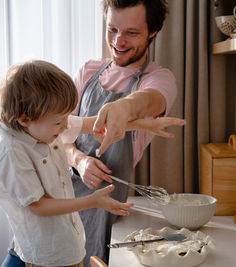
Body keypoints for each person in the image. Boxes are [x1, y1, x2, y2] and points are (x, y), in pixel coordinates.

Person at [0, 60, 184, 267]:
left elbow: (92, 124)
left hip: (66, 244)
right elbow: (38, 206)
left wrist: (143, 124)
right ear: (24, 119)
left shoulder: (41, 123)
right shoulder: (10, 151)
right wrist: (92, 201)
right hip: (45, 255)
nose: (65, 126)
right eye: (58, 122)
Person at [65, 0, 176, 265]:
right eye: (112, 29)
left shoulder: (159, 79)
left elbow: (147, 100)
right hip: (60, 199)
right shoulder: (88, 71)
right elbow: (56, 134)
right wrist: (79, 160)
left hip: (104, 213)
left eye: (131, 33)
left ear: (153, 31)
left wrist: (124, 107)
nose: (118, 40)